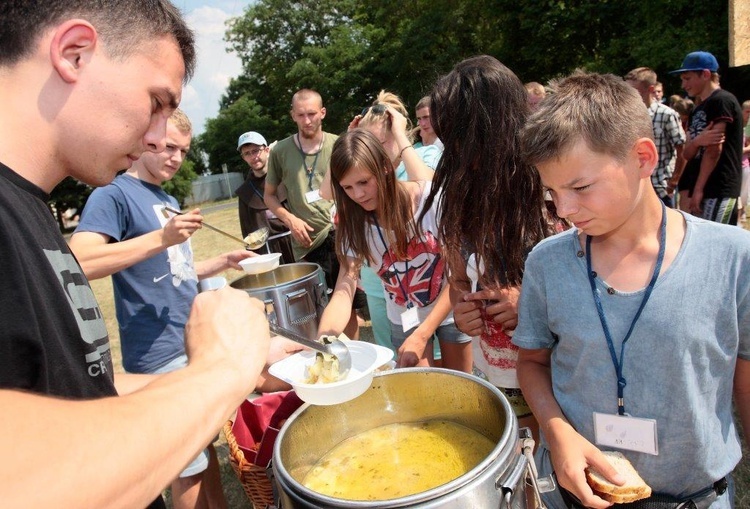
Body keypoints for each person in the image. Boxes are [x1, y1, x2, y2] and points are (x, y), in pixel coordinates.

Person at [0, 2, 280, 508]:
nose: (158, 138)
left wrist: (246, 361)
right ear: (74, 54)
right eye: (156, 102)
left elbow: (82, 393)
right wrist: (221, 370)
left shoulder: (31, 209)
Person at [514, 70, 750, 509]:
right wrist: (557, 431)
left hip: (696, 496)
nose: (564, 211)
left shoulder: (734, 258)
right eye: (552, 192)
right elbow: (531, 362)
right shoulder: (547, 263)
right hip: (582, 495)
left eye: (580, 187)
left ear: (642, 159)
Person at [69, 109, 279, 508]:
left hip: (190, 341)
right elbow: (79, 261)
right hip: (157, 351)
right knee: (187, 466)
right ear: (144, 140)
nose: (175, 157)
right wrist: (161, 239)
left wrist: (221, 263)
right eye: (167, 147)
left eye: (183, 150)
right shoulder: (112, 195)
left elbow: (173, 270)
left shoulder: (165, 198)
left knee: (202, 451)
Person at [424, 55, 551, 436]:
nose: (455, 149)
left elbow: (598, 281)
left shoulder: (552, 186)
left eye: (463, 136)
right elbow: (459, 279)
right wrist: (463, 307)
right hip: (497, 371)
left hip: (561, 372)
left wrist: (528, 303)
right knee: (522, 461)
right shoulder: (459, 194)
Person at [318, 129, 471, 369]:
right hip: (404, 317)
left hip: (449, 307)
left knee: (461, 389)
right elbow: (344, 287)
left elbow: (458, 278)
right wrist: (323, 340)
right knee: (424, 395)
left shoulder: (432, 200)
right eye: (347, 187)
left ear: (385, 167)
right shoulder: (353, 222)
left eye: (364, 182)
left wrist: (424, 333)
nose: (358, 195)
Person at [322, 91, 440, 356]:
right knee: (405, 364)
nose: (358, 194)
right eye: (349, 187)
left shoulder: (424, 174)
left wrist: (399, 135)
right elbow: (345, 282)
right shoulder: (356, 217)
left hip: (441, 303)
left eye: (380, 143)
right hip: (394, 297)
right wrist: (346, 144)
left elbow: (427, 185)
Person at [264, 89, 360, 338]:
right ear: (292, 116)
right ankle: (325, 358)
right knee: (315, 309)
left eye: (312, 114)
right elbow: (269, 195)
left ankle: (356, 358)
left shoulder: (338, 144)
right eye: (300, 115)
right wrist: (290, 219)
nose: (307, 120)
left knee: (348, 303)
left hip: (341, 235)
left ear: (323, 113)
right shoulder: (280, 151)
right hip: (306, 243)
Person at [670, 51, 743, 224]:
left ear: (705, 74)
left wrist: (698, 190)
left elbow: (713, 150)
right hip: (701, 188)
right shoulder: (697, 108)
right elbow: (687, 153)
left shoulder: (722, 101)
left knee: (719, 243)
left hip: (719, 187)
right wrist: (697, 141)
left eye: (687, 78)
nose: (683, 85)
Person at [624, 67, 686, 208]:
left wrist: (674, 181)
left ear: (650, 89)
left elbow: (682, 148)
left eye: (634, 90)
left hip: (661, 186)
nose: (629, 94)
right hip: (635, 186)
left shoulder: (666, 114)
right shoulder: (627, 116)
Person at [235, 131, 294, 263]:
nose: (253, 157)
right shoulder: (245, 193)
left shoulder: (286, 177)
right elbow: (248, 235)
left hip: (296, 245)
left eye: (256, 151)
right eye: (247, 153)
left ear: (267, 150)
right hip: (269, 254)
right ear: (243, 157)